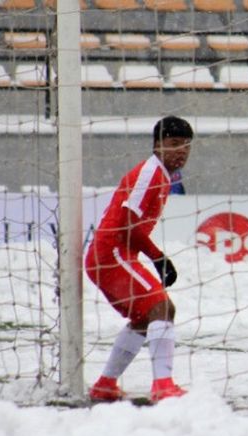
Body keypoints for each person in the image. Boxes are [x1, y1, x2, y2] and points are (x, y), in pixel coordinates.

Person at [85, 116, 192, 403]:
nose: (180, 151)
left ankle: (105, 384)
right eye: (173, 144)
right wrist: (158, 258)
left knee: (145, 316)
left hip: (116, 255)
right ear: (157, 146)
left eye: (186, 146)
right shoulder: (150, 174)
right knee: (163, 308)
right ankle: (163, 385)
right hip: (112, 254)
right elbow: (129, 225)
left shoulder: (162, 175)